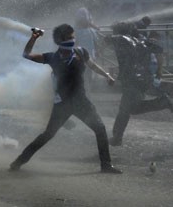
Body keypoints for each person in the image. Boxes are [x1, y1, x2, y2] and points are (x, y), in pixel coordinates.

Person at [9, 24, 122, 174]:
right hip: (62, 104)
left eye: (73, 36)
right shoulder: (52, 57)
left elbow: (93, 66)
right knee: (48, 135)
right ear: (60, 40)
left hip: (81, 102)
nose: (73, 40)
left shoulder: (81, 52)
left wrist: (107, 75)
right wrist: (33, 38)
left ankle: (106, 165)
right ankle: (18, 162)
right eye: (69, 37)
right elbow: (26, 54)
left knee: (100, 129)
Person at [105, 27, 172, 146]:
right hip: (143, 80)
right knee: (132, 109)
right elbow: (160, 50)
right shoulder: (143, 42)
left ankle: (117, 137)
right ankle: (162, 102)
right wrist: (159, 71)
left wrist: (100, 46)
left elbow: (107, 39)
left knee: (124, 110)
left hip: (132, 81)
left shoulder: (122, 38)